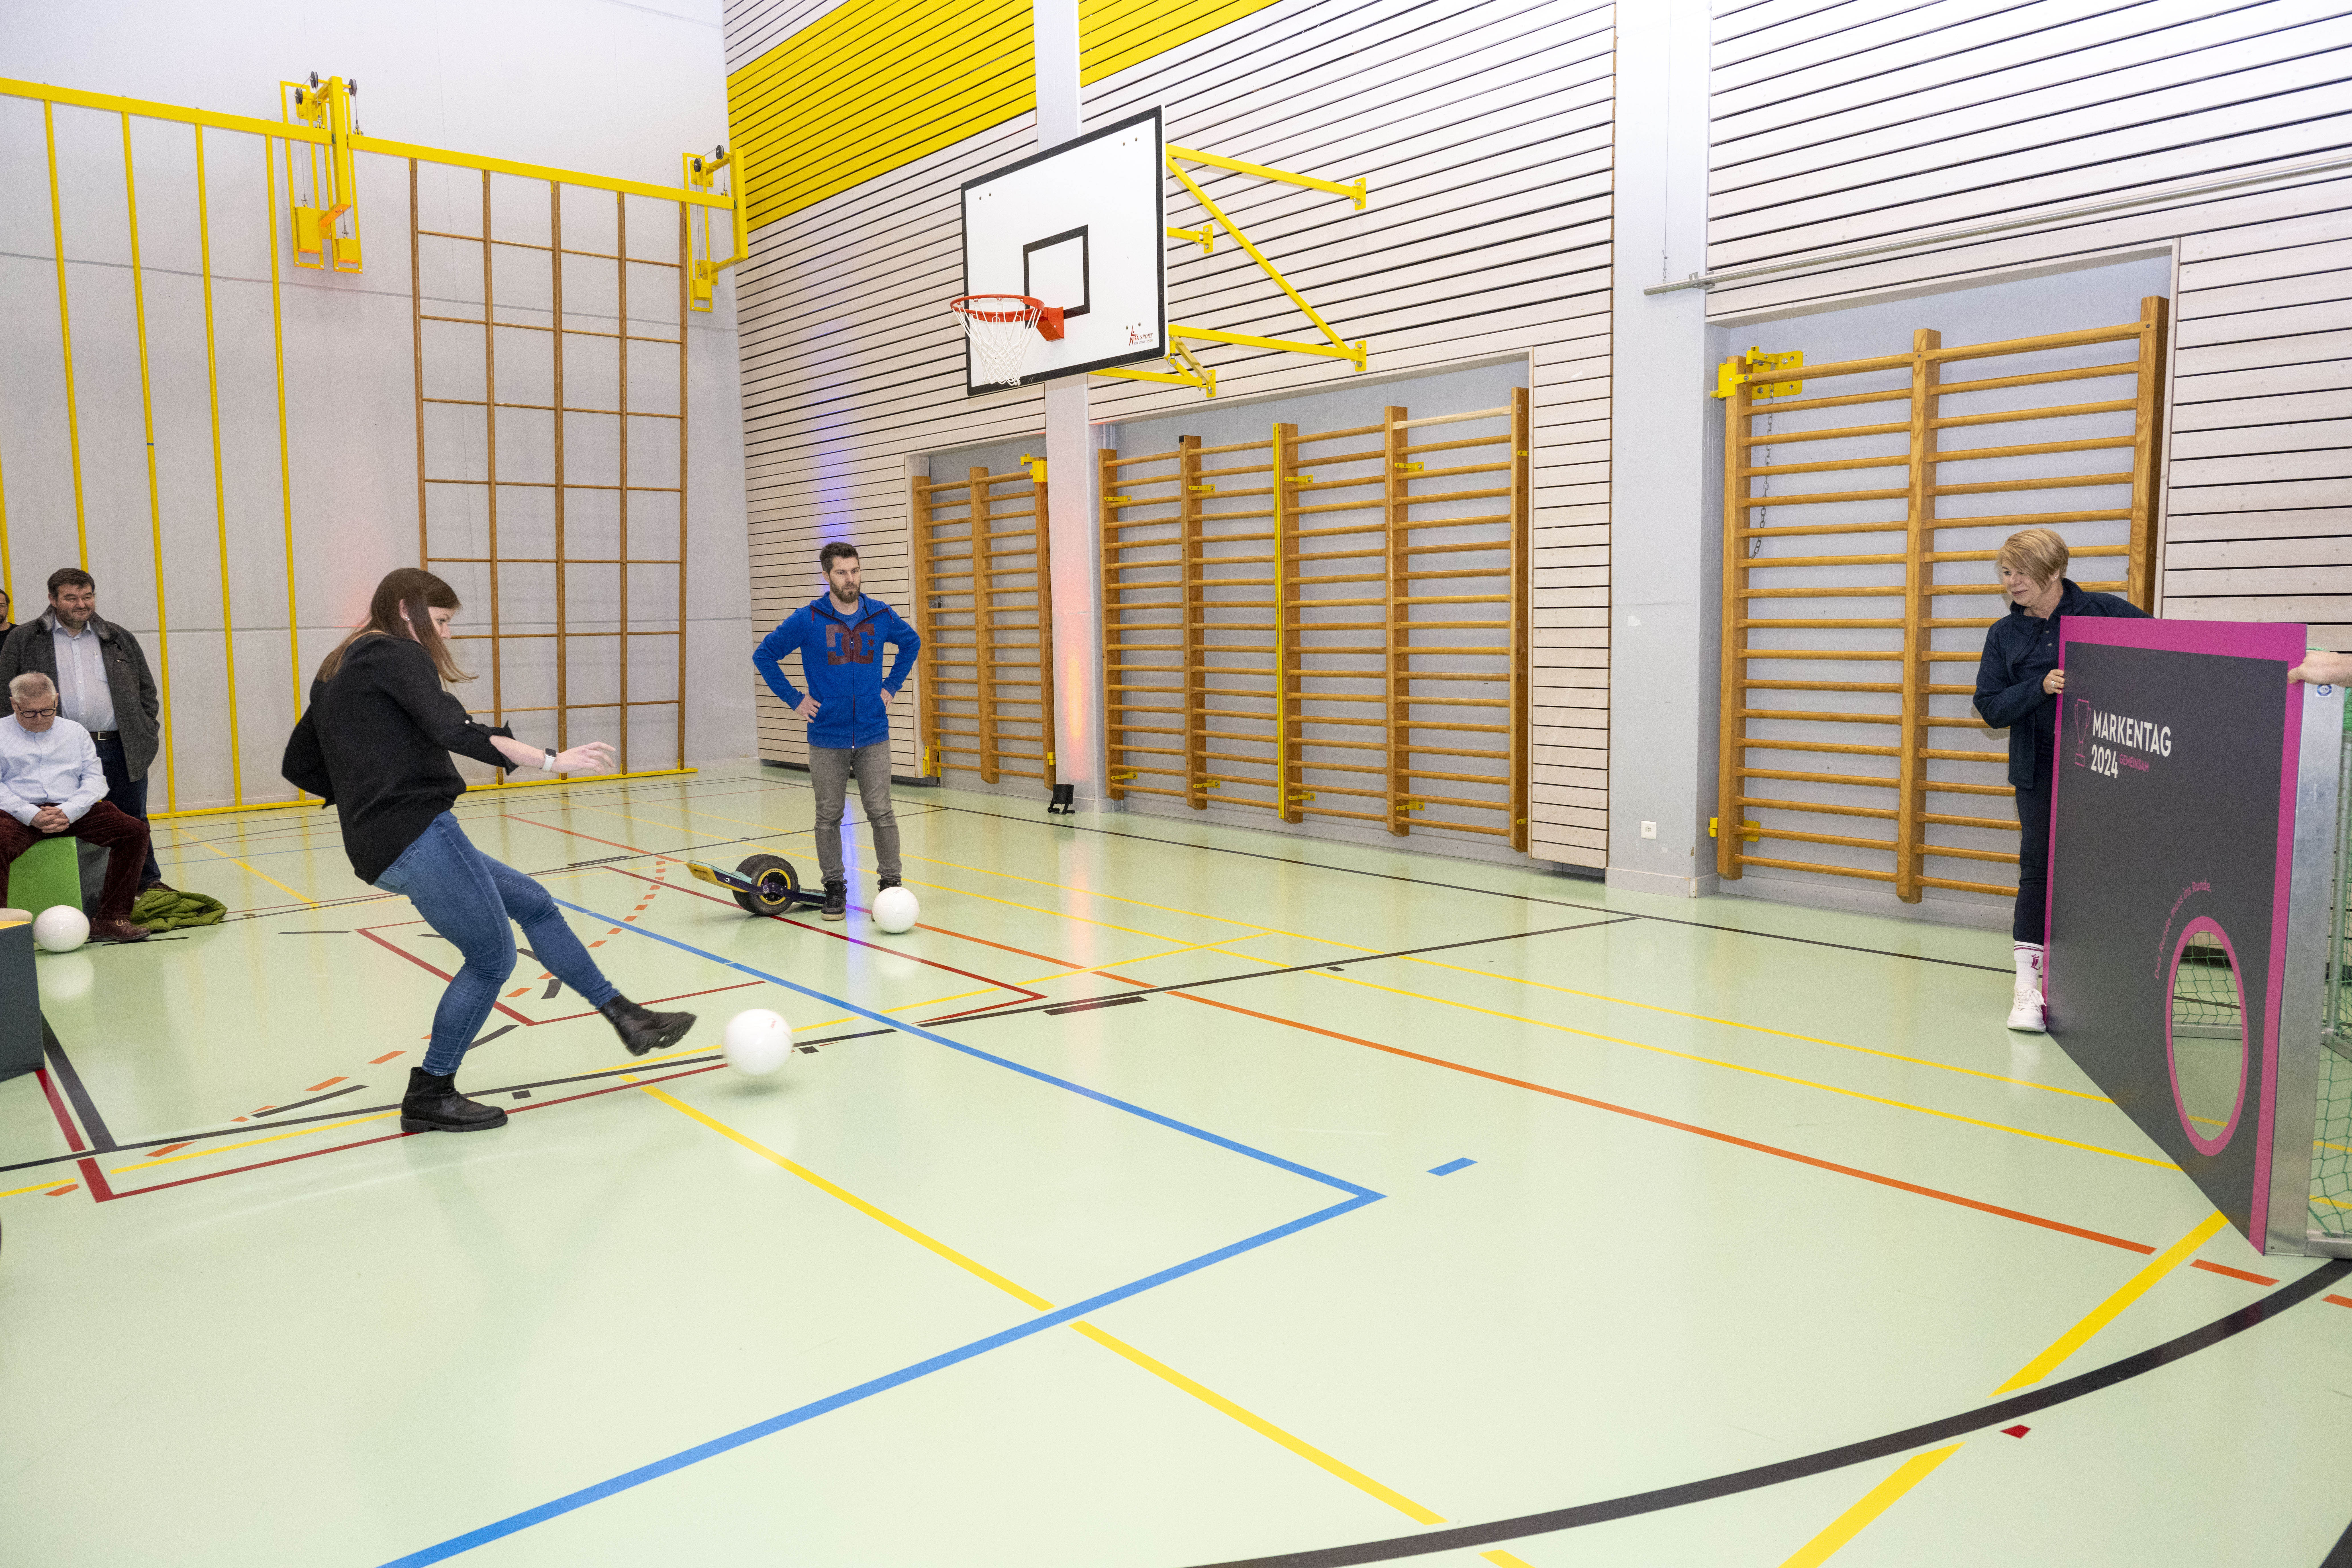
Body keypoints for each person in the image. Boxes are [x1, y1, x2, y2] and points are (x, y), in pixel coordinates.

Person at [281, 568, 695, 1134]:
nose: (447, 634)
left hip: (381, 842)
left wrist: (363, 792)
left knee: (534, 902)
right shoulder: (399, 656)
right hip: (416, 831)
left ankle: (627, 1016)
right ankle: (432, 1090)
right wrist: (552, 761)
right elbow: (456, 729)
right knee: (493, 959)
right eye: (444, 621)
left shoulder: (338, 668)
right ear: (408, 610)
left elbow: (298, 763)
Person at [1973, 528, 2148, 1033]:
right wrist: (2041, 685)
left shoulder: (2107, 612)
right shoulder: (2003, 635)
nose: (2012, 582)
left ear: (2053, 571)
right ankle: (2027, 990)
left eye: (2021, 572)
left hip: (2105, 766)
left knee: (2103, 868)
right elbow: (1989, 708)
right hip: (2039, 768)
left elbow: (2166, 656)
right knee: (2038, 869)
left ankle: (2099, 982)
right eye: (2006, 572)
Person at [752, 541, 921, 920]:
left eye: (856, 571)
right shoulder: (808, 619)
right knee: (829, 814)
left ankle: (890, 885)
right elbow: (764, 654)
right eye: (843, 572)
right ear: (827, 575)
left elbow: (911, 643)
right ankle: (834, 886)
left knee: (881, 810)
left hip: (873, 733)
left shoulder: (879, 615)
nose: (851, 579)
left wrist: (891, 687)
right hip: (827, 736)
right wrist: (795, 699)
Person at [0, 569, 167, 892]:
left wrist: (145, 728)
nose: (82, 604)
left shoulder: (118, 637)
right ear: (52, 599)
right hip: (58, 750)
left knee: (133, 819)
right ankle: (75, 892)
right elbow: (3, 695)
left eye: (87, 596)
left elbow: (146, 690)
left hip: (120, 745)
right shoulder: (24, 639)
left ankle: (146, 884)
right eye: (72, 597)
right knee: (59, 823)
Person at [0, 673, 153, 942]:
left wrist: (70, 811)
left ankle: (111, 918)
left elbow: (95, 781)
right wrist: (31, 814)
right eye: (30, 713)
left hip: (73, 808)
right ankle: (3, 928)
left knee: (135, 832)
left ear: (57, 700)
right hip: (16, 812)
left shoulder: (75, 732)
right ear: (14, 704)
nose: (40, 719)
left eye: (48, 711)